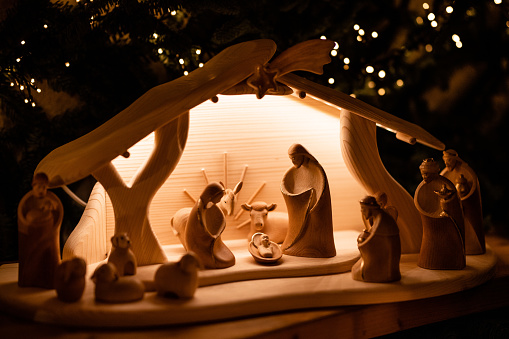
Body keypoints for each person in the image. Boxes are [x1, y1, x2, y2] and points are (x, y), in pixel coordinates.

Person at [281, 144, 336, 258]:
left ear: (303, 155)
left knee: (314, 233)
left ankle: (316, 249)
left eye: (294, 158)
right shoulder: (292, 172)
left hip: (313, 214)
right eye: (291, 159)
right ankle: (294, 245)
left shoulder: (317, 170)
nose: (293, 162)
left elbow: (321, 193)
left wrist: (313, 208)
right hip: (298, 211)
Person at [414, 159, 465, 269]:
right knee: (430, 247)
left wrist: (447, 202)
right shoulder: (422, 187)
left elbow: (454, 203)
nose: (424, 177)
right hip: (431, 223)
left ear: (434, 173)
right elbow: (419, 203)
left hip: (445, 220)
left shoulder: (446, 184)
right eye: (422, 174)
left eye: (426, 174)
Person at [17, 172, 63, 288]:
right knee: (31, 258)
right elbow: (22, 216)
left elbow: (57, 210)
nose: (41, 190)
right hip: (32, 235)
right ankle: (28, 279)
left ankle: (49, 280)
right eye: (38, 186)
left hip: (47, 234)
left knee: (48, 257)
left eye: (44, 187)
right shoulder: (28, 201)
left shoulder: (50, 200)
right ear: (33, 186)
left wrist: (50, 209)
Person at [441, 150, 485, 254]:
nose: (447, 164)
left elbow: (470, 192)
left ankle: (473, 248)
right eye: (445, 161)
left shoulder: (466, 172)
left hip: (466, 208)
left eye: (449, 161)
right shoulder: (445, 173)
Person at [352, 196, 401, 282]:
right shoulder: (379, 217)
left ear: (369, 208)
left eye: (363, 209)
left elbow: (372, 241)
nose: (362, 212)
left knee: (356, 271)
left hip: (383, 261)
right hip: (381, 255)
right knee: (355, 268)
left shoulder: (381, 219)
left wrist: (361, 244)